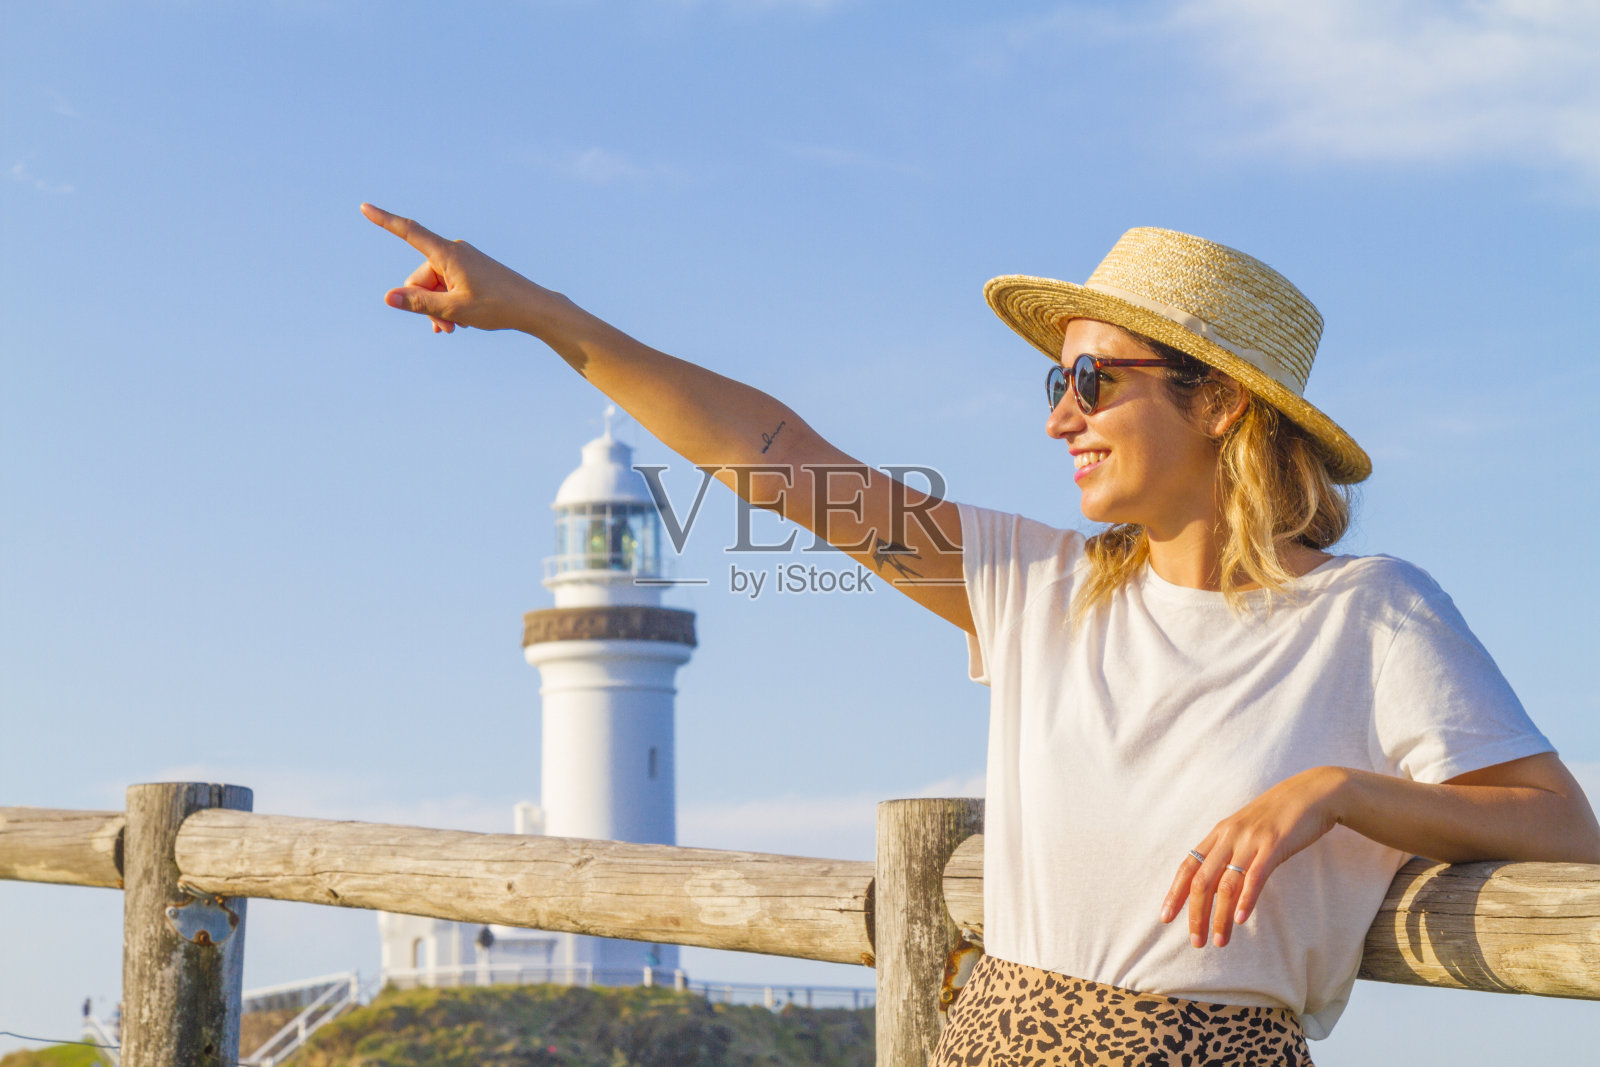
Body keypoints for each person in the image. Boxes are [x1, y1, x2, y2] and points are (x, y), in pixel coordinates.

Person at [361, 205, 1599, 1064]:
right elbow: (777, 458)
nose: (1060, 416)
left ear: (1217, 401)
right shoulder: (1033, 581)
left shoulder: (1371, 607)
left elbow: (1558, 830)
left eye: (1093, 381)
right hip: (997, 1036)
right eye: (1051, 384)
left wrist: (1334, 793)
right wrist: (539, 312)